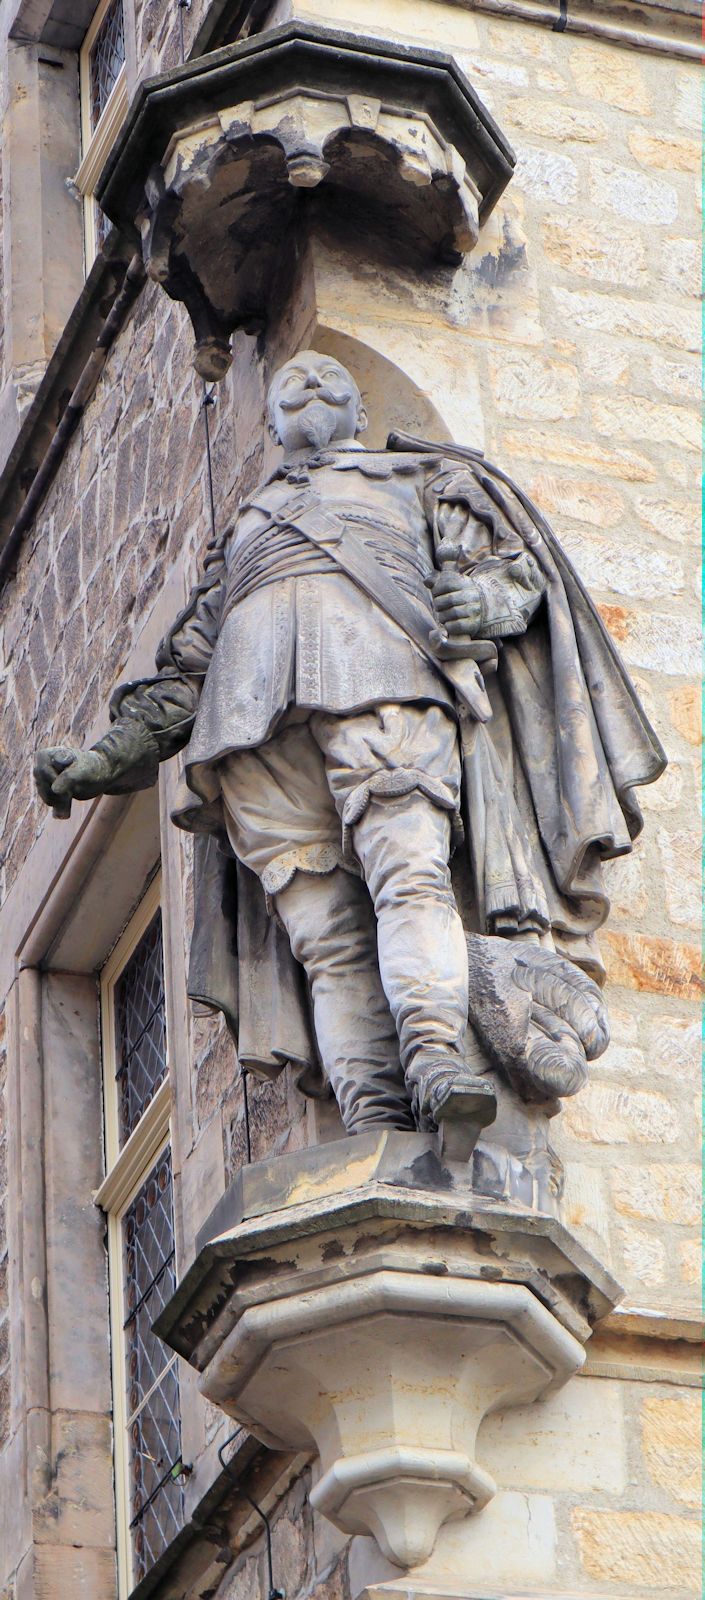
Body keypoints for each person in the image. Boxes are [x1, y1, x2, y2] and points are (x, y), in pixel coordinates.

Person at [34, 352, 665, 1141]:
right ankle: (369, 1109)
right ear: (269, 423)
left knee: (410, 881)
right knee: (325, 940)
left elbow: (509, 573)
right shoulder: (244, 526)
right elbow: (187, 667)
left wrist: (483, 601)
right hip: (248, 729)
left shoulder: (416, 479)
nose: (308, 380)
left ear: (359, 415)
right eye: (291, 380)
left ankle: (435, 1058)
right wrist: (104, 757)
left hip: (385, 682)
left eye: (330, 378)